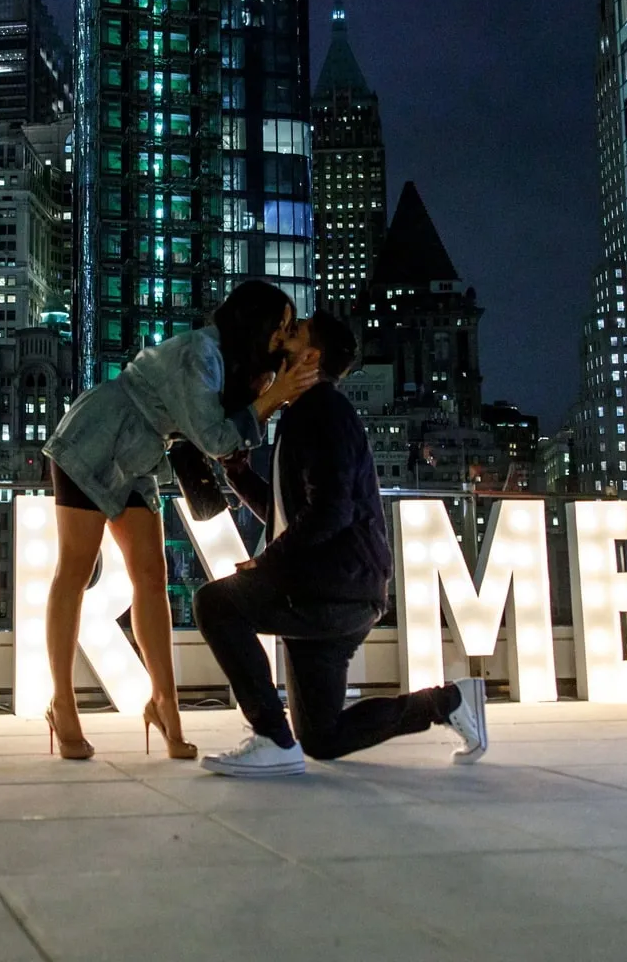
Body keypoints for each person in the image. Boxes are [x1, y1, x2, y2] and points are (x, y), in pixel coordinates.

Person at [192, 310, 487, 777]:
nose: (283, 335)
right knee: (324, 738)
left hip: (333, 587)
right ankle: (448, 701)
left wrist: (267, 564)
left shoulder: (322, 412)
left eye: (296, 332)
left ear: (311, 356)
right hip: (337, 586)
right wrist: (240, 475)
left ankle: (271, 736)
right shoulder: (305, 414)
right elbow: (292, 517)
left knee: (215, 604)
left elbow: (332, 512)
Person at [41, 281, 319, 760]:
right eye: (283, 327)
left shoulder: (229, 363)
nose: (285, 336)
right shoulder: (203, 352)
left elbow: (228, 439)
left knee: (152, 578)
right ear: (256, 324)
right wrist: (276, 397)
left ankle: (164, 702)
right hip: (99, 432)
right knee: (76, 570)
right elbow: (214, 438)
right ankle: (62, 703)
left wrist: (275, 387)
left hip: (141, 453)